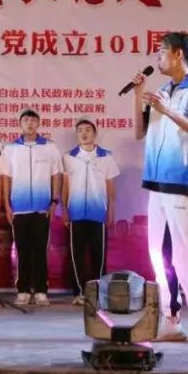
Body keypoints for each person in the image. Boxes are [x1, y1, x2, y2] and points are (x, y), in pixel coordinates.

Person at [131, 32, 188, 344]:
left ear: (178, 54)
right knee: (159, 253)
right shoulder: (163, 90)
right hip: (157, 183)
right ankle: (171, 318)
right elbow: (139, 133)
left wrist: (169, 111)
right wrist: (138, 94)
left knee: (186, 251)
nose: (157, 57)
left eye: (161, 51)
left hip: (182, 182)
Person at [0, 108, 63, 306]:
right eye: (26, 120)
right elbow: (6, 177)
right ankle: (23, 290)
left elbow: (56, 174)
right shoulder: (10, 149)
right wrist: (7, 204)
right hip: (19, 207)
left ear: (38, 124)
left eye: (33, 120)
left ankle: (41, 290)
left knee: (40, 250)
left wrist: (54, 201)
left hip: (42, 208)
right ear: (20, 124)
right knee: (22, 250)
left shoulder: (50, 147)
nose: (29, 123)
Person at [62, 118, 119, 305]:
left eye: (88, 130)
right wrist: (64, 209)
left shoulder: (106, 157)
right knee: (76, 256)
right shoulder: (69, 157)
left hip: (98, 213)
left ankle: (99, 294)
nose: (84, 133)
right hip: (76, 213)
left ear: (95, 134)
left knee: (98, 256)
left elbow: (110, 187)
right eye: (80, 130)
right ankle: (79, 293)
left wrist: (111, 211)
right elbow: (65, 186)